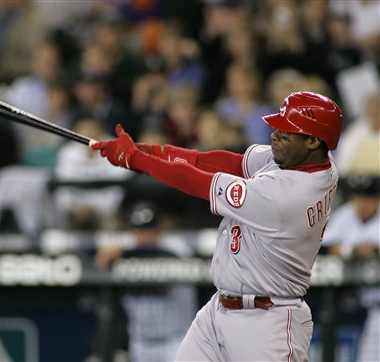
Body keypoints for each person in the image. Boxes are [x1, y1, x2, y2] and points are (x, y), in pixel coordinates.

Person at [92, 91, 343, 360]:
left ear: (313, 141)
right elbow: (230, 163)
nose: (274, 135)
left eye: (286, 132)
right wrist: (153, 152)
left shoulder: (287, 195)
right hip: (219, 311)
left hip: (268, 322)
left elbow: (199, 182)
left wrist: (137, 160)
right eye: (277, 128)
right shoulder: (311, 162)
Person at [95, 200, 197, 362]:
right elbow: (101, 257)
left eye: (150, 230)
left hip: (176, 340)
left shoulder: (176, 248)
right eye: (139, 230)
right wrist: (120, 250)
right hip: (140, 342)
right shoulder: (127, 248)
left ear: (159, 230)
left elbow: (177, 253)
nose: (145, 236)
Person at [321, 174, 379, 362]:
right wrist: (353, 249)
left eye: (367, 197)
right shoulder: (346, 215)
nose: (361, 202)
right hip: (370, 309)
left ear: (376, 198)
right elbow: (326, 246)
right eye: (357, 196)